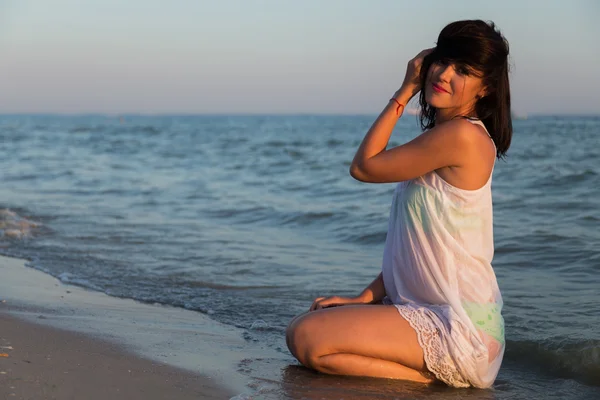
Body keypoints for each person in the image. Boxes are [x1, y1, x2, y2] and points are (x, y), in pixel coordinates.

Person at [285, 19, 512, 389]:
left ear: (485, 88)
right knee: (303, 330)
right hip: (430, 313)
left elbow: (363, 166)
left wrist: (405, 90)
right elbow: (419, 244)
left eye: (463, 70)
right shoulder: (443, 136)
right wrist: (367, 296)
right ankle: (430, 378)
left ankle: (433, 384)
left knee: (307, 337)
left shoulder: (463, 136)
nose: (443, 73)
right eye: (442, 60)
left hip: (462, 327)